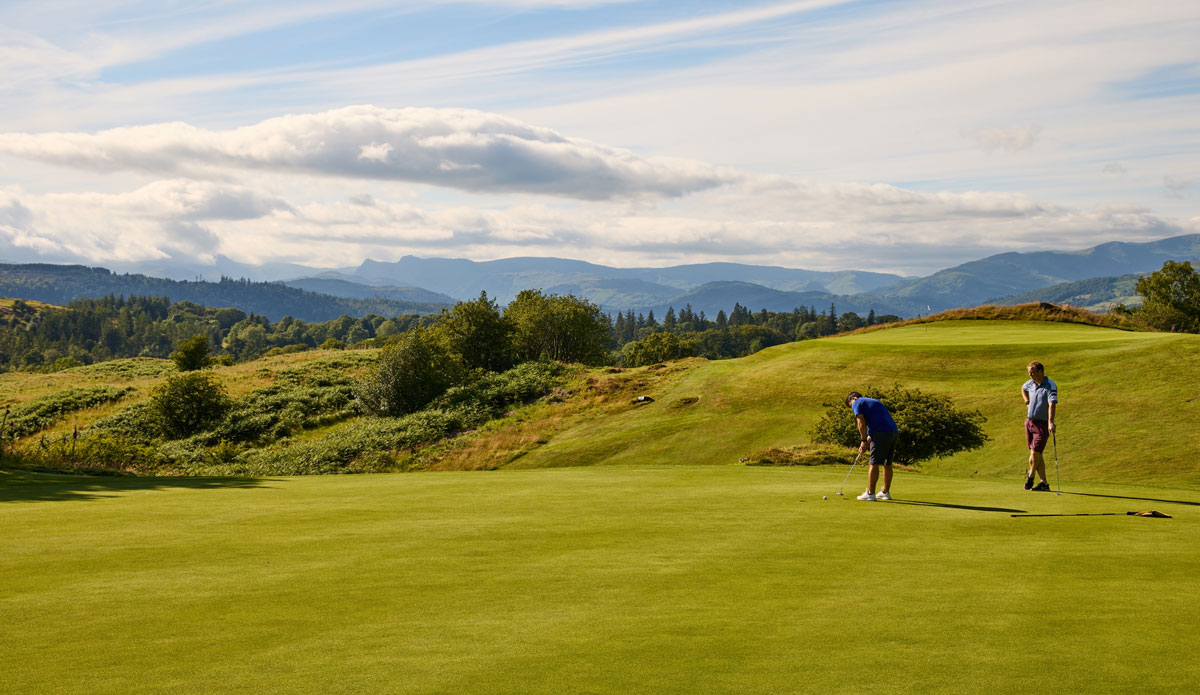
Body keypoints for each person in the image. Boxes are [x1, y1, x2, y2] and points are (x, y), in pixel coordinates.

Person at [845, 391, 899, 501]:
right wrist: (867, 440)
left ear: (853, 398)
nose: (852, 408)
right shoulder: (873, 402)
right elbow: (876, 423)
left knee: (873, 463)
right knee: (887, 463)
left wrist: (863, 440)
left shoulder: (857, 402)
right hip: (893, 433)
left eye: (850, 405)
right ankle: (885, 492)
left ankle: (870, 494)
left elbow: (861, 423)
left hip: (881, 433)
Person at [1021, 361, 1058, 491]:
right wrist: (1027, 402)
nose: (1030, 375)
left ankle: (1031, 476)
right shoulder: (1030, 384)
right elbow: (1023, 388)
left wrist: (1050, 422)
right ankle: (1044, 483)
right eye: (1029, 373)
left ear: (1041, 371)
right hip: (1029, 422)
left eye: (1033, 372)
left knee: (1035, 453)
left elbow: (1052, 404)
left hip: (1042, 424)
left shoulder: (1049, 385)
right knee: (1037, 454)